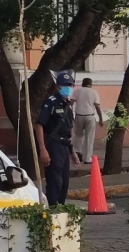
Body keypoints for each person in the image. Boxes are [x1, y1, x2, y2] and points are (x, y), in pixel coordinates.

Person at [35, 71, 80, 206]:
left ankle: (60, 206)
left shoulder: (67, 105)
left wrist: (72, 152)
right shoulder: (51, 103)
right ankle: (53, 208)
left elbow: (67, 131)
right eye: (64, 85)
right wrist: (43, 149)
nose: (67, 88)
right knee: (55, 181)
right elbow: (39, 125)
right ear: (58, 86)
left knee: (64, 182)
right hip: (53, 145)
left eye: (70, 85)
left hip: (64, 146)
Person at [71, 78, 103, 164]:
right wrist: (100, 119)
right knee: (89, 137)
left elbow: (71, 103)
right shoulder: (94, 92)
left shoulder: (77, 91)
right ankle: (87, 158)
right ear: (91, 84)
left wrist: (70, 115)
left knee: (78, 135)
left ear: (82, 83)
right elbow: (97, 107)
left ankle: (78, 153)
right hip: (90, 116)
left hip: (79, 116)